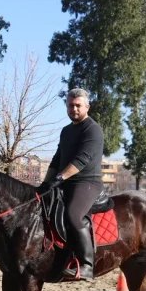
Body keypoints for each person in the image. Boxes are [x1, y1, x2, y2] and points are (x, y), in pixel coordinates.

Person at [37, 88, 104, 281]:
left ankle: (87, 264)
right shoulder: (66, 131)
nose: (74, 109)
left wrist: (59, 178)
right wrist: (45, 184)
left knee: (73, 214)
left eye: (78, 105)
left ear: (87, 107)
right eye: (70, 105)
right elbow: (57, 160)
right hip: (65, 181)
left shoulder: (92, 129)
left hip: (87, 182)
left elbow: (81, 161)